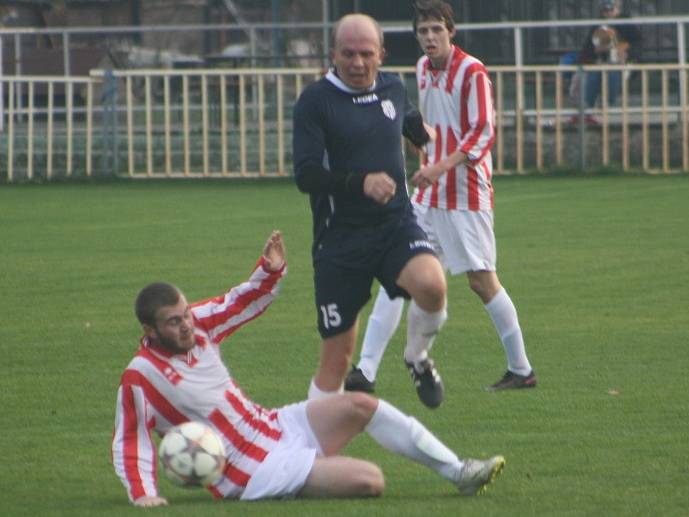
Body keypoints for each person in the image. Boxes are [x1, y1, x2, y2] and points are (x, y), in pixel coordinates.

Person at [111, 231, 505, 507]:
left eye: (185, 315)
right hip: (250, 472)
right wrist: (143, 492)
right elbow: (132, 439)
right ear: (150, 330)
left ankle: (459, 472)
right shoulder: (141, 376)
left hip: (273, 425)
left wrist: (269, 271)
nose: (186, 325)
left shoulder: (197, 325)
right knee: (371, 481)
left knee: (359, 406)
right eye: (173, 322)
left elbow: (236, 303)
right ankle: (303, 475)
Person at [345, 0, 536, 394]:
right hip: (428, 195)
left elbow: (482, 132)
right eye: (422, 31)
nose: (429, 38)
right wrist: (423, 145)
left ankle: (521, 369)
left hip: (465, 193)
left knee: (482, 282)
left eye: (436, 30)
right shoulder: (422, 69)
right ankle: (364, 370)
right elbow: (434, 124)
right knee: (398, 273)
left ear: (452, 31)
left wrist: (439, 166)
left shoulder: (473, 72)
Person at [292, 13, 450, 408]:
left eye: (366, 54)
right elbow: (307, 174)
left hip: (394, 224)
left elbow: (404, 111)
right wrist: (360, 181)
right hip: (340, 239)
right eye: (348, 54)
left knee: (432, 286)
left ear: (382, 54)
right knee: (336, 362)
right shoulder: (315, 101)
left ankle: (416, 357)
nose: (357, 63)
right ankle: (313, 459)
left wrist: (417, 131)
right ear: (333, 54)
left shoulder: (392, 87)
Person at [573, 0, 642, 122]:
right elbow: (588, 47)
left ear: (617, 9)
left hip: (622, 63)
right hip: (601, 62)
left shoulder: (626, 22)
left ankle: (607, 105)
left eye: (611, 9)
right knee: (593, 75)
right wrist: (595, 51)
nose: (608, 13)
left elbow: (638, 43)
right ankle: (587, 110)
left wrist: (626, 50)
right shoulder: (598, 24)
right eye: (606, 10)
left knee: (612, 74)